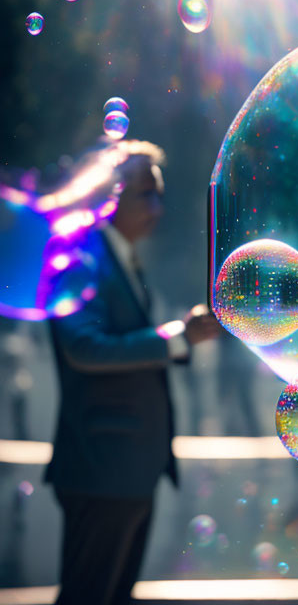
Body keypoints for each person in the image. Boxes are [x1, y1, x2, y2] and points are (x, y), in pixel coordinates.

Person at [44, 142, 220, 605]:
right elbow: (84, 348)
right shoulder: (79, 257)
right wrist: (178, 337)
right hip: (103, 468)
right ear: (109, 194)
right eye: (147, 194)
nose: (157, 208)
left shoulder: (115, 256)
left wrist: (184, 337)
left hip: (125, 469)